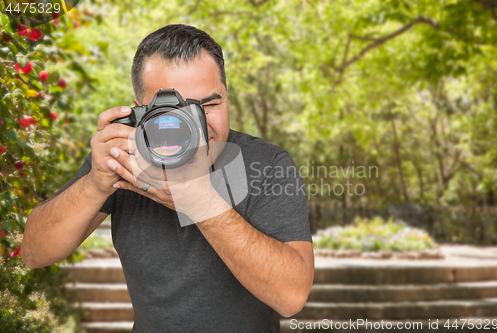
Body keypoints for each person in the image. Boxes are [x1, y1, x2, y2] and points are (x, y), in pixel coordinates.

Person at [22, 24, 314, 332]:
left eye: (209, 105)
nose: (197, 126)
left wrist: (199, 202)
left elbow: (291, 297)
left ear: (228, 98)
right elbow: (33, 252)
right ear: (141, 113)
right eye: (178, 113)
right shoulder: (125, 159)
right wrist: (95, 184)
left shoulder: (266, 163)